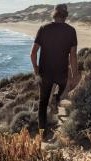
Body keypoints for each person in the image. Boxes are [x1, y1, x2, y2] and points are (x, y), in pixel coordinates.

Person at [30, 4, 80, 134]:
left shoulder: (43, 28)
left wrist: (35, 67)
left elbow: (33, 52)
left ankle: (42, 133)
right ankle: (57, 99)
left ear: (54, 14)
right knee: (64, 87)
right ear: (66, 15)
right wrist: (75, 75)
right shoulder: (71, 31)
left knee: (42, 103)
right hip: (61, 73)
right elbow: (73, 55)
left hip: (44, 73)